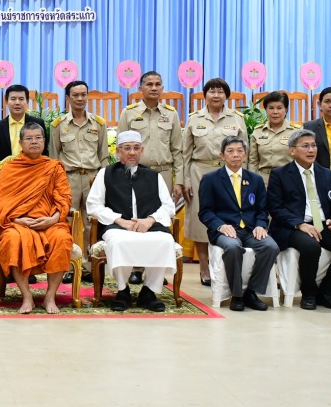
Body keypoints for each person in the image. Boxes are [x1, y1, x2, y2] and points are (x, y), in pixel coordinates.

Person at [85, 131, 177, 312]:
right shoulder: (106, 174)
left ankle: (149, 291)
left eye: (136, 148)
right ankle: (122, 290)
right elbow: (93, 205)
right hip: (117, 226)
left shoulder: (154, 176)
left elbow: (168, 206)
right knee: (119, 241)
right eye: (127, 148)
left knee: (165, 241)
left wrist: (150, 220)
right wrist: (120, 221)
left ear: (142, 151)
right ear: (118, 152)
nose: (132, 152)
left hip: (149, 226)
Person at [0, 122, 72, 314]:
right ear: (20, 143)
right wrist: (19, 219)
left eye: (38, 138)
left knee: (62, 239)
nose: (34, 142)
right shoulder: (11, 168)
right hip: (18, 222)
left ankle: (50, 296)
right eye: (29, 138)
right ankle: (27, 296)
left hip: (49, 221)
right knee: (13, 239)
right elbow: (1, 202)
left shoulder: (53, 167)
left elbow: (64, 197)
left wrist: (53, 219)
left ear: (44, 141)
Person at [117, 71, 183, 285]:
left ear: (162, 88)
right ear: (141, 88)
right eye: (149, 84)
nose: (154, 88)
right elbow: (120, 147)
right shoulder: (129, 113)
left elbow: (178, 150)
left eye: (158, 84)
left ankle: (156, 268)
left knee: (160, 219)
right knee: (136, 217)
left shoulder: (171, 114)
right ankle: (135, 267)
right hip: (136, 172)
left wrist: (179, 180)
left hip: (163, 173)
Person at [198, 135, 278, 311]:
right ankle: (237, 294)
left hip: (250, 229)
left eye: (239, 151)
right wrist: (220, 226)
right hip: (225, 230)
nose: (235, 155)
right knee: (233, 247)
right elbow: (205, 212)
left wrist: (260, 225)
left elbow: (262, 210)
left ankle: (251, 292)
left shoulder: (255, 180)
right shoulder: (210, 179)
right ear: (222, 155)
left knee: (270, 246)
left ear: (245, 154)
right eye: (230, 151)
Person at [183, 78, 247, 286]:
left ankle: (226, 266)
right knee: (200, 221)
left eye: (220, 91)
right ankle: (204, 267)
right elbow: (185, 153)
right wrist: (185, 180)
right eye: (212, 91)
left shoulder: (237, 119)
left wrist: (245, 179)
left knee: (229, 217)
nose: (216, 95)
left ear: (226, 95)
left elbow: (245, 151)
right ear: (205, 95)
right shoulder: (194, 119)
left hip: (229, 172)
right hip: (199, 172)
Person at [50, 80, 108, 283]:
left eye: (83, 94)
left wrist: (102, 181)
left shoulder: (99, 124)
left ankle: (89, 266)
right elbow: (54, 158)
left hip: (93, 178)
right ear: (67, 98)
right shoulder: (58, 125)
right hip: (69, 178)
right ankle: (68, 265)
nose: (80, 98)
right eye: (75, 95)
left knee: (91, 223)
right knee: (67, 223)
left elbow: (104, 157)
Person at [267, 129, 331, 310]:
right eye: (305, 146)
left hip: (322, 224)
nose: (311, 150)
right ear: (292, 150)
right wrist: (299, 224)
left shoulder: (327, 174)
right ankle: (309, 293)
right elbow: (275, 208)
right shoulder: (279, 174)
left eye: (313, 145)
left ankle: (325, 291)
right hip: (292, 227)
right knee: (311, 246)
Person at [248, 91, 300, 185]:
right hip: (263, 181)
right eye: (271, 108)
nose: (275, 112)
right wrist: (253, 182)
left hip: (288, 180)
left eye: (279, 108)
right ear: (266, 110)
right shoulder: (258, 132)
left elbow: (301, 159)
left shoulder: (296, 132)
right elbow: (253, 162)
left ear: (286, 109)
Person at [0, 84, 48, 163]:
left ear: (27, 101)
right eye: (13, 99)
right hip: (7, 171)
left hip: (33, 170)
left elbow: (43, 151)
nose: (17, 103)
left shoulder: (38, 123)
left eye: (21, 99)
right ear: (6, 101)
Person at [303, 86, 331, 169]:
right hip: (320, 176)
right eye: (327, 101)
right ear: (319, 104)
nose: (330, 105)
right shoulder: (310, 127)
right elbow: (306, 154)